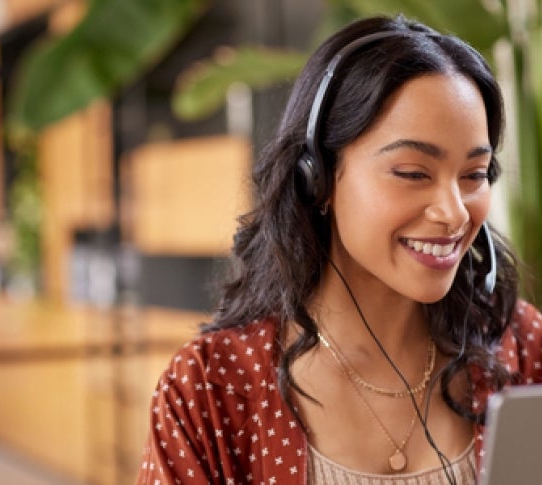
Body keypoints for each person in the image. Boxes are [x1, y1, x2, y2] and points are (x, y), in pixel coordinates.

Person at [136, 14, 542, 485]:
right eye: (413, 173)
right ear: (318, 179)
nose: (453, 213)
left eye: (474, 175)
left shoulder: (525, 349)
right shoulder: (210, 388)